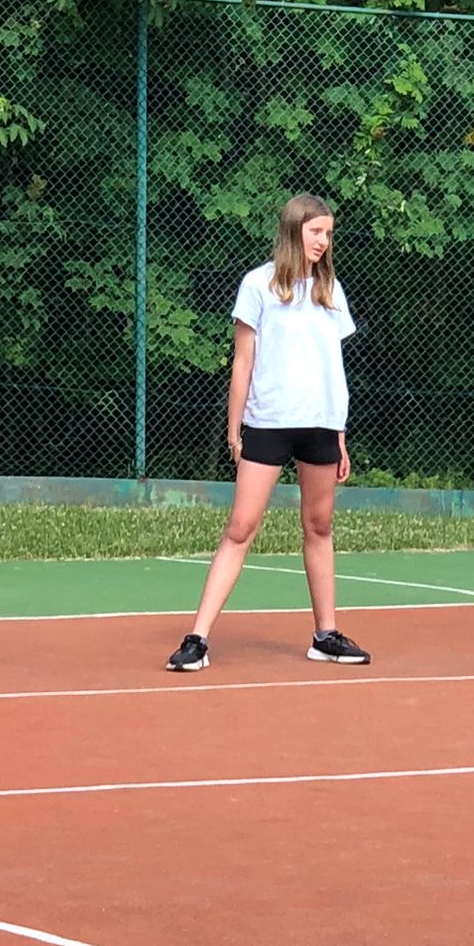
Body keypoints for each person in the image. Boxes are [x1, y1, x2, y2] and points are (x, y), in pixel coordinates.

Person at [167, 194, 368, 672]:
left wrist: (339, 433)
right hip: (268, 422)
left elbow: (333, 367)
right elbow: (243, 362)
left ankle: (325, 635)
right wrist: (234, 428)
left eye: (328, 233)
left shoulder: (330, 289)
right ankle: (197, 639)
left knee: (319, 526)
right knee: (240, 528)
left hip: (321, 424)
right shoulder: (258, 284)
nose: (323, 241)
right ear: (294, 230)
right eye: (316, 231)